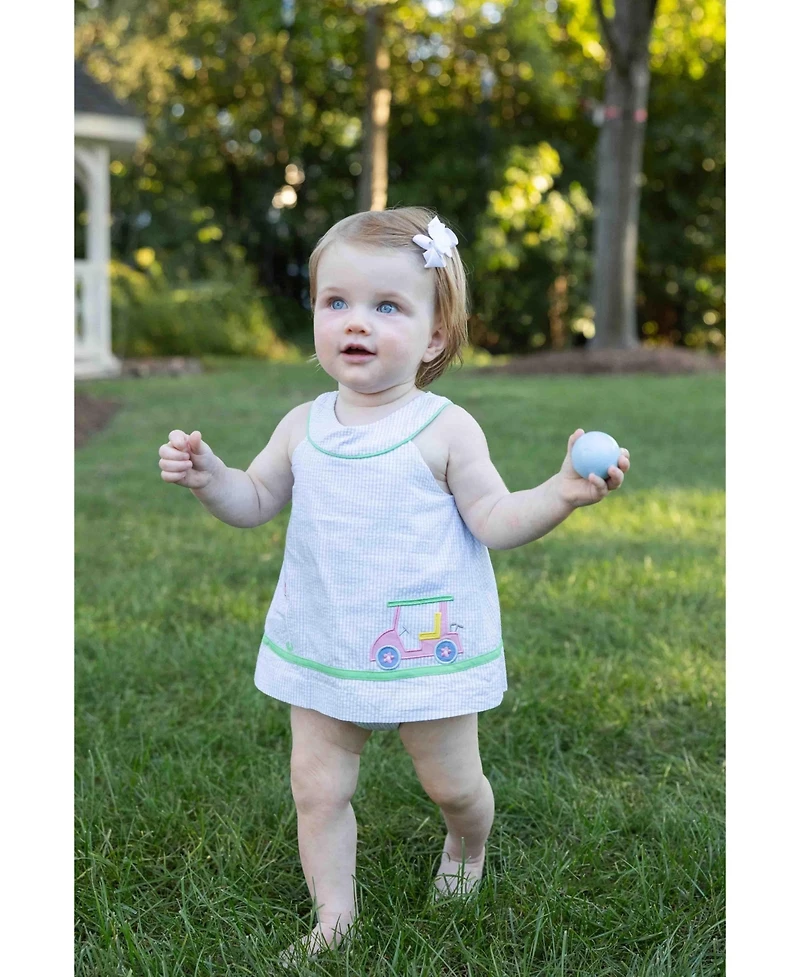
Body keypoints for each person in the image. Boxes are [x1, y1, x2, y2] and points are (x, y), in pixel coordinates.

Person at [157, 207, 631, 966]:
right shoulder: (301, 425)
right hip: (324, 640)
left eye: (387, 306)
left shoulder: (444, 428)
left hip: (426, 641)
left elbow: (496, 518)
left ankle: (467, 843)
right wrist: (212, 477)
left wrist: (560, 492)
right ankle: (333, 916)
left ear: (435, 336)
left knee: (452, 782)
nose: (356, 321)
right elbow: (251, 502)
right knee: (317, 787)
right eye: (335, 301)